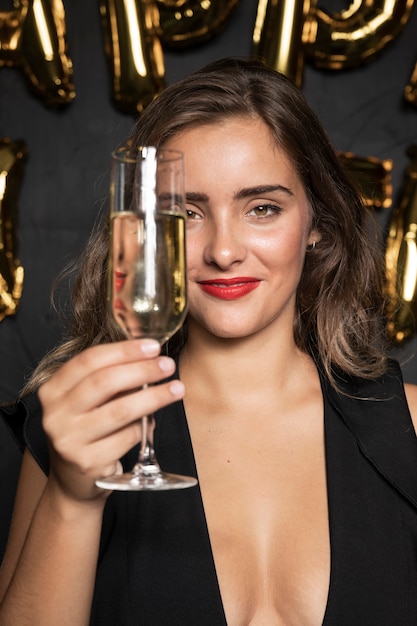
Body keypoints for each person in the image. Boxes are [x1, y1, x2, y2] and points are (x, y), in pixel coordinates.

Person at [1, 56, 417, 626]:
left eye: (262, 208)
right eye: (186, 213)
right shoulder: (80, 429)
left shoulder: (412, 428)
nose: (224, 250)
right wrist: (73, 500)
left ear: (317, 222)